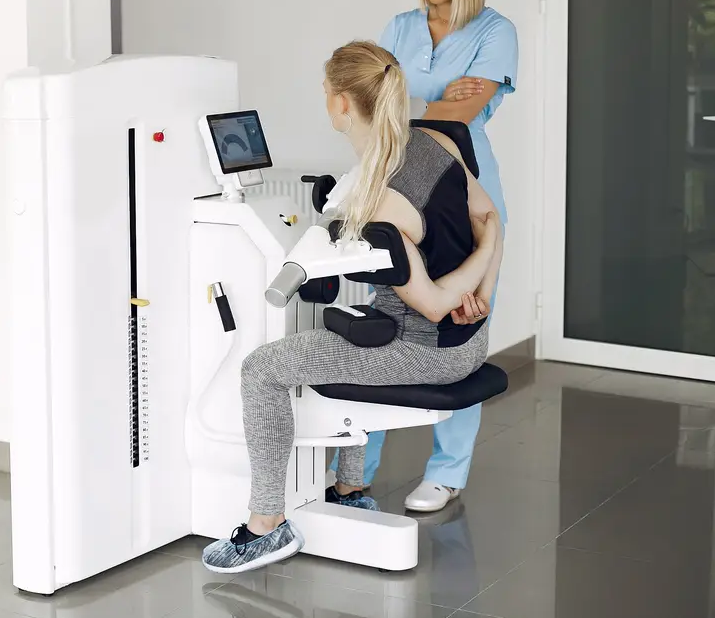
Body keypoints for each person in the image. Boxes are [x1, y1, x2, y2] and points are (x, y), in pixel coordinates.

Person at [201, 41, 503, 574]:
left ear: (343, 105)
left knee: (262, 369)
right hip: (470, 335)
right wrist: (477, 295)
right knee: (355, 316)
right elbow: (490, 222)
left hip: (429, 349)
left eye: (325, 92)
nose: (325, 100)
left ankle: (266, 525)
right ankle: (348, 490)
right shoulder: (437, 140)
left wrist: (458, 294)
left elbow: (432, 306)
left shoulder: (384, 204)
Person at [329, 0, 518, 514]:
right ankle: (353, 468)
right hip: (397, 182)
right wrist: (433, 99)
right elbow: (394, 103)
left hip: (465, 190)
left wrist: (405, 101)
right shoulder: (401, 28)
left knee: (460, 320)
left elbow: (460, 116)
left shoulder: (497, 32)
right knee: (384, 319)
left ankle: (447, 471)